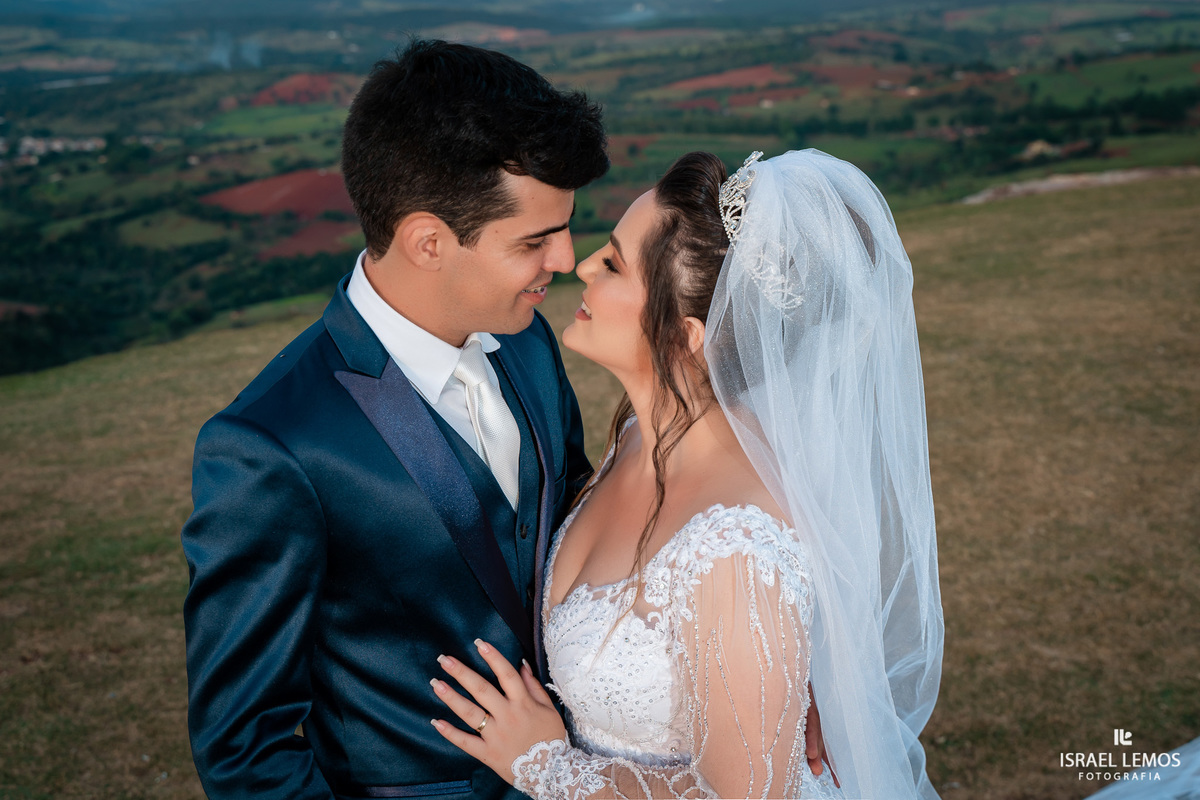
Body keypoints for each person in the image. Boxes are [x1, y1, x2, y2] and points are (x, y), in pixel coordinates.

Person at [426, 150, 945, 799]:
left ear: (686, 336)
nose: (582, 266)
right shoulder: (635, 437)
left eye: (613, 264)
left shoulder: (736, 546)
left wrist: (545, 766)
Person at [180, 39, 608, 799]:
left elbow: (579, 524)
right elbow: (245, 747)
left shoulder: (528, 340)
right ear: (428, 241)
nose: (568, 258)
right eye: (535, 240)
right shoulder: (270, 448)